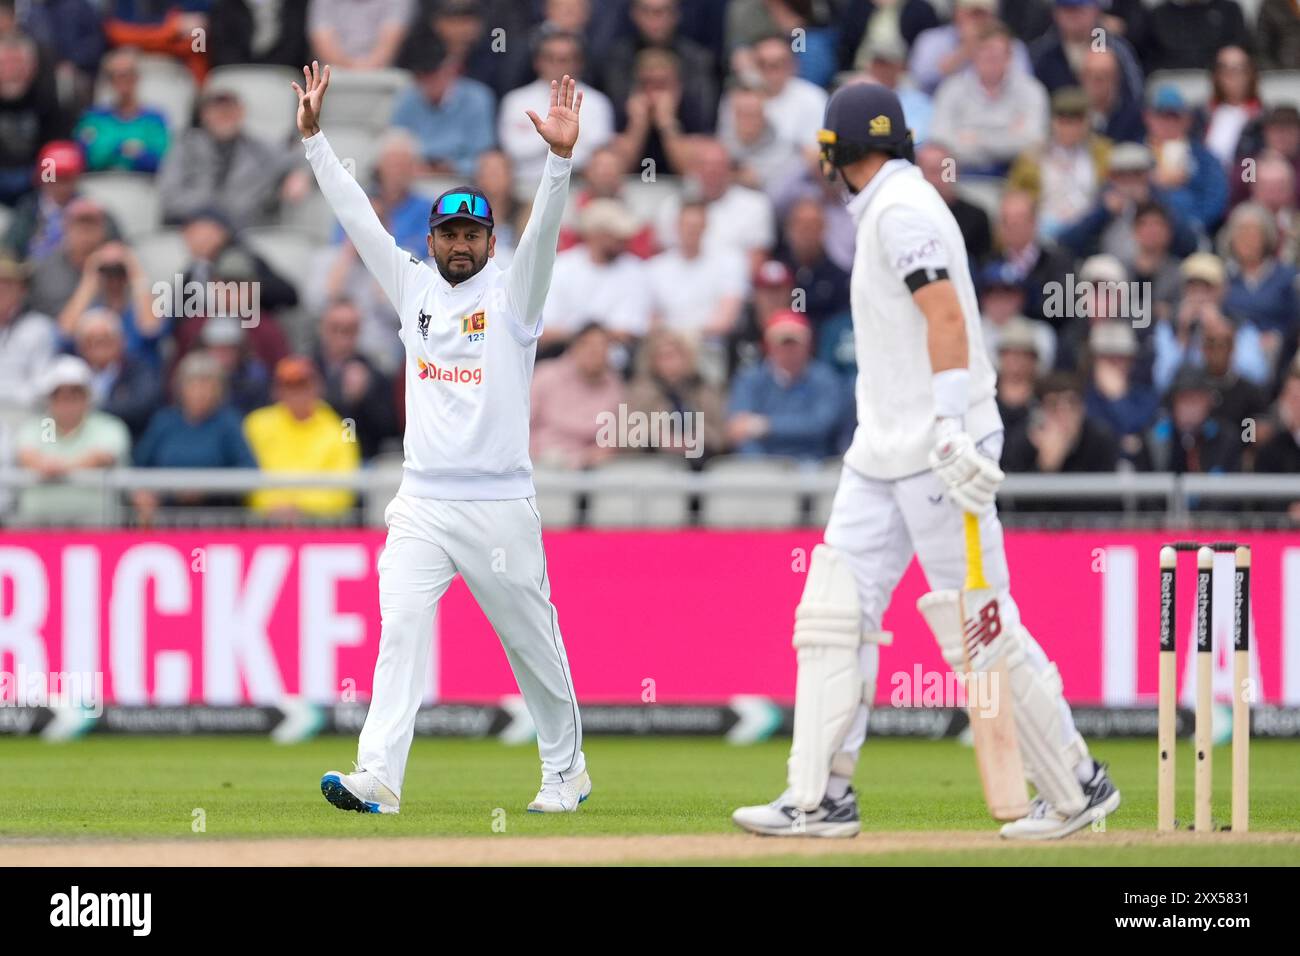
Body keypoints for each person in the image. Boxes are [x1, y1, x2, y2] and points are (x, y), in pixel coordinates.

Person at [732, 83, 1120, 841]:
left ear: (839, 154)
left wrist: (949, 423)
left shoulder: (905, 210)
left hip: (940, 446)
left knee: (978, 623)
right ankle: (820, 796)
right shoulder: (887, 205)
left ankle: (1077, 785)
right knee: (833, 615)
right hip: (881, 447)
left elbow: (942, 311)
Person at [294, 62, 590, 814]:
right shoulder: (414, 287)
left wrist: (559, 162)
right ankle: (379, 779)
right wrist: (316, 142)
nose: (461, 243)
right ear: (432, 238)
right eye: (450, 232)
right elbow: (360, 218)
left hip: (499, 505)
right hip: (422, 500)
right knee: (400, 633)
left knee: (532, 648)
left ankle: (567, 771)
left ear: (492, 239)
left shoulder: (517, 294)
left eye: (474, 232)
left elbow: (548, 234)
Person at [131, 349, 258, 523]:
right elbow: (138, 466)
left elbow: (249, 470)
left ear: (218, 389)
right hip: (167, 516)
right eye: (194, 384)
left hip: (217, 519)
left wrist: (208, 486)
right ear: (181, 387)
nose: (200, 392)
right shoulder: (165, 421)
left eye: (207, 385)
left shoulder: (228, 423)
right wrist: (145, 493)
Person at [13, 354, 131, 524]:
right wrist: (55, 466)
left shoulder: (106, 425)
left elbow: (103, 456)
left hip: (96, 528)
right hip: (39, 526)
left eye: (75, 394)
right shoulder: (44, 425)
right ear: (50, 399)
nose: (66, 401)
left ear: (87, 397)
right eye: (59, 395)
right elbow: (26, 454)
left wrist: (59, 468)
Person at [242, 354, 360, 518]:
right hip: (264, 523)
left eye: (303, 385)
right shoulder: (256, 425)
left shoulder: (340, 429)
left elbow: (344, 489)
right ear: (277, 390)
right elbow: (246, 476)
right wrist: (273, 506)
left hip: (321, 526)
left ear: (317, 387)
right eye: (289, 386)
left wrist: (300, 508)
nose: (297, 393)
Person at [725, 309, 845, 460]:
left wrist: (765, 426)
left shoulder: (825, 379)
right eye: (782, 344)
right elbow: (738, 430)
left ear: (808, 345)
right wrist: (761, 464)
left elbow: (821, 426)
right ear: (769, 347)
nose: (789, 351)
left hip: (814, 463)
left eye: (794, 344)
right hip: (763, 466)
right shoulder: (749, 380)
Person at [529, 321, 625, 468]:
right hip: (542, 463)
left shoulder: (614, 385)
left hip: (593, 469)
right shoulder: (545, 377)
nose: (596, 352)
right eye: (589, 345)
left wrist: (600, 453)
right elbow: (524, 424)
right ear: (575, 347)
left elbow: (615, 436)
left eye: (602, 346)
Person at [73, 47, 170, 173]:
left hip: (144, 187)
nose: (123, 81)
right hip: (98, 185)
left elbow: (161, 162)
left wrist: (105, 147)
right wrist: (126, 149)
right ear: (109, 81)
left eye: (128, 75)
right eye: (115, 76)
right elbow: (85, 158)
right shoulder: (93, 119)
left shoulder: (155, 119)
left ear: (137, 77)